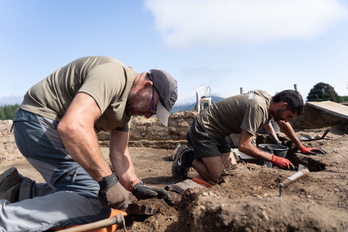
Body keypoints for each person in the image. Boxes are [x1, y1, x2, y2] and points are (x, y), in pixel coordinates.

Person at [0, 56, 178, 231]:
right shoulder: (114, 75)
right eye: (153, 108)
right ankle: (7, 219)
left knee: (92, 189)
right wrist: (108, 181)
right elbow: (72, 127)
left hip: (49, 129)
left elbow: (119, 153)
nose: (148, 115)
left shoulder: (127, 108)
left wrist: (135, 185)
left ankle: (19, 191)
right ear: (147, 86)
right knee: (96, 199)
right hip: (39, 124)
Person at [172, 90, 325, 184]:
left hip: (219, 133)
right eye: (289, 115)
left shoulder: (269, 102)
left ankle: (199, 157)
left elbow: (283, 124)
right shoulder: (258, 107)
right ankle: (188, 156)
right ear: (283, 105)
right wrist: (275, 159)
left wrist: (301, 146)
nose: (287, 120)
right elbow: (244, 146)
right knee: (218, 180)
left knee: (231, 173)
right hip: (204, 129)